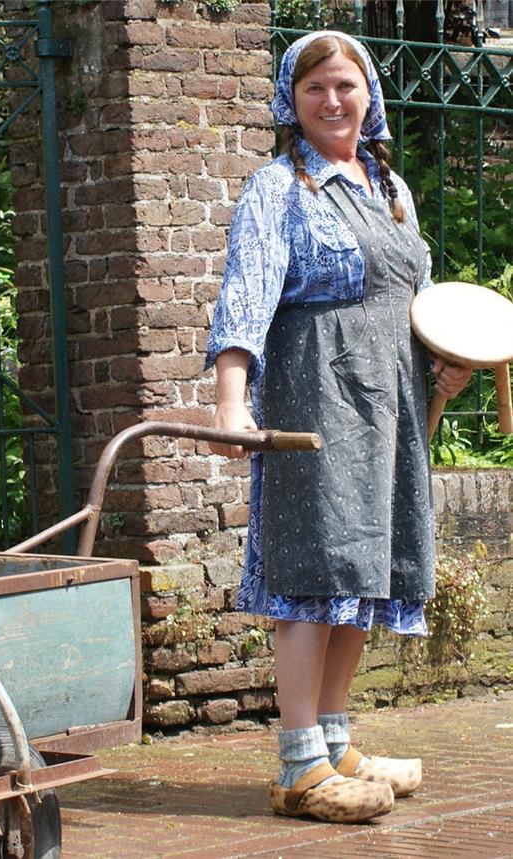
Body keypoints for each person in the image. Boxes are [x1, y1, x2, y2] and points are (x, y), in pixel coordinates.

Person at [205, 31, 471, 824]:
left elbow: (415, 301)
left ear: (369, 95)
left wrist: (445, 363)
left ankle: (334, 741)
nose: (331, 101)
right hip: (315, 396)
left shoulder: (391, 188)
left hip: (390, 403)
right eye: (314, 87)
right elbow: (245, 294)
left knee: (367, 567)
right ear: (292, 100)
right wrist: (231, 402)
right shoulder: (277, 188)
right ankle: (299, 765)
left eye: (345, 86)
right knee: (313, 569)